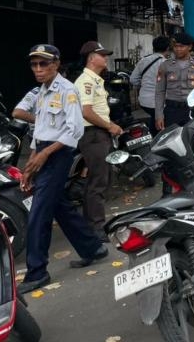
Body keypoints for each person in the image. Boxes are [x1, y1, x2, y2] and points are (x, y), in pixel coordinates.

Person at [18, 44, 108, 294]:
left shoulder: (68, 91)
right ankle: (93, 248)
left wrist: (45, 153)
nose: (38, 69)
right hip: (44, 153)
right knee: (60, 207)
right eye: (34, 64)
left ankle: (37, 272)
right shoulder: (41, 93)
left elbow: (74, 130)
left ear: (56, 64)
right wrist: (33, 159)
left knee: (38, 214)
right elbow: (41, 129)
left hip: (58, 154)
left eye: (43, 64)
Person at [74, 41, 123, 241]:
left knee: (102, 178)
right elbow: (86, 112)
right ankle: (95, 228)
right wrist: (109, 126)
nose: (106, 58)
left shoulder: (95, 81)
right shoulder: (85, 81)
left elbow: (97, 109)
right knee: (98, 181)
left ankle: (93, 224)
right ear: (91, 58)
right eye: (102, 55)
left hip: (99, 133)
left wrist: (111, 125)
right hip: (93, 134)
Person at [154, 32, 194, 131]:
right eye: (175, 46)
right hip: (172, 111)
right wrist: (159, 115)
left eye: (181, 46)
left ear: (189, 47)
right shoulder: (165, 65)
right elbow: (160, 92)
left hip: (193, 110)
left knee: (193, 142)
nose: (178, 49)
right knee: (172, 143)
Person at [129, 35, 171, 134]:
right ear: (168, 48)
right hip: (160, 103)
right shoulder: (167, 64)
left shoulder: (143, 60)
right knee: (163, 121)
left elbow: (133, 79)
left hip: (144, 101)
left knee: (154, 117)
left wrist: (145, 83)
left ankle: (153, 138)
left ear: (153, 47)